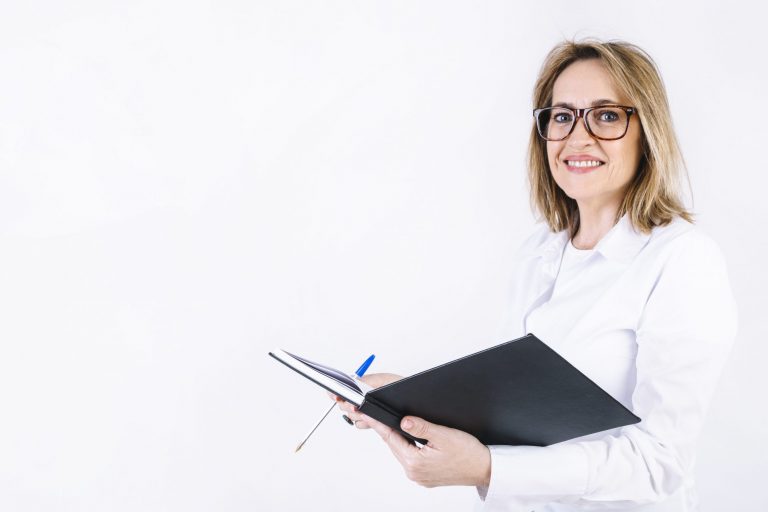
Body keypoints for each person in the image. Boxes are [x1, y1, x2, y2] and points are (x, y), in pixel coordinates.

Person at [335, 39, 737, 512]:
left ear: (646, 130)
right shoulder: (539, 253)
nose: (578, 137)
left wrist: (488, 467)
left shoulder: (682, 260)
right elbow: (524, 420)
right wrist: (411, 403)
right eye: (562, 116)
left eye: (606, 116)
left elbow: (659, 463)